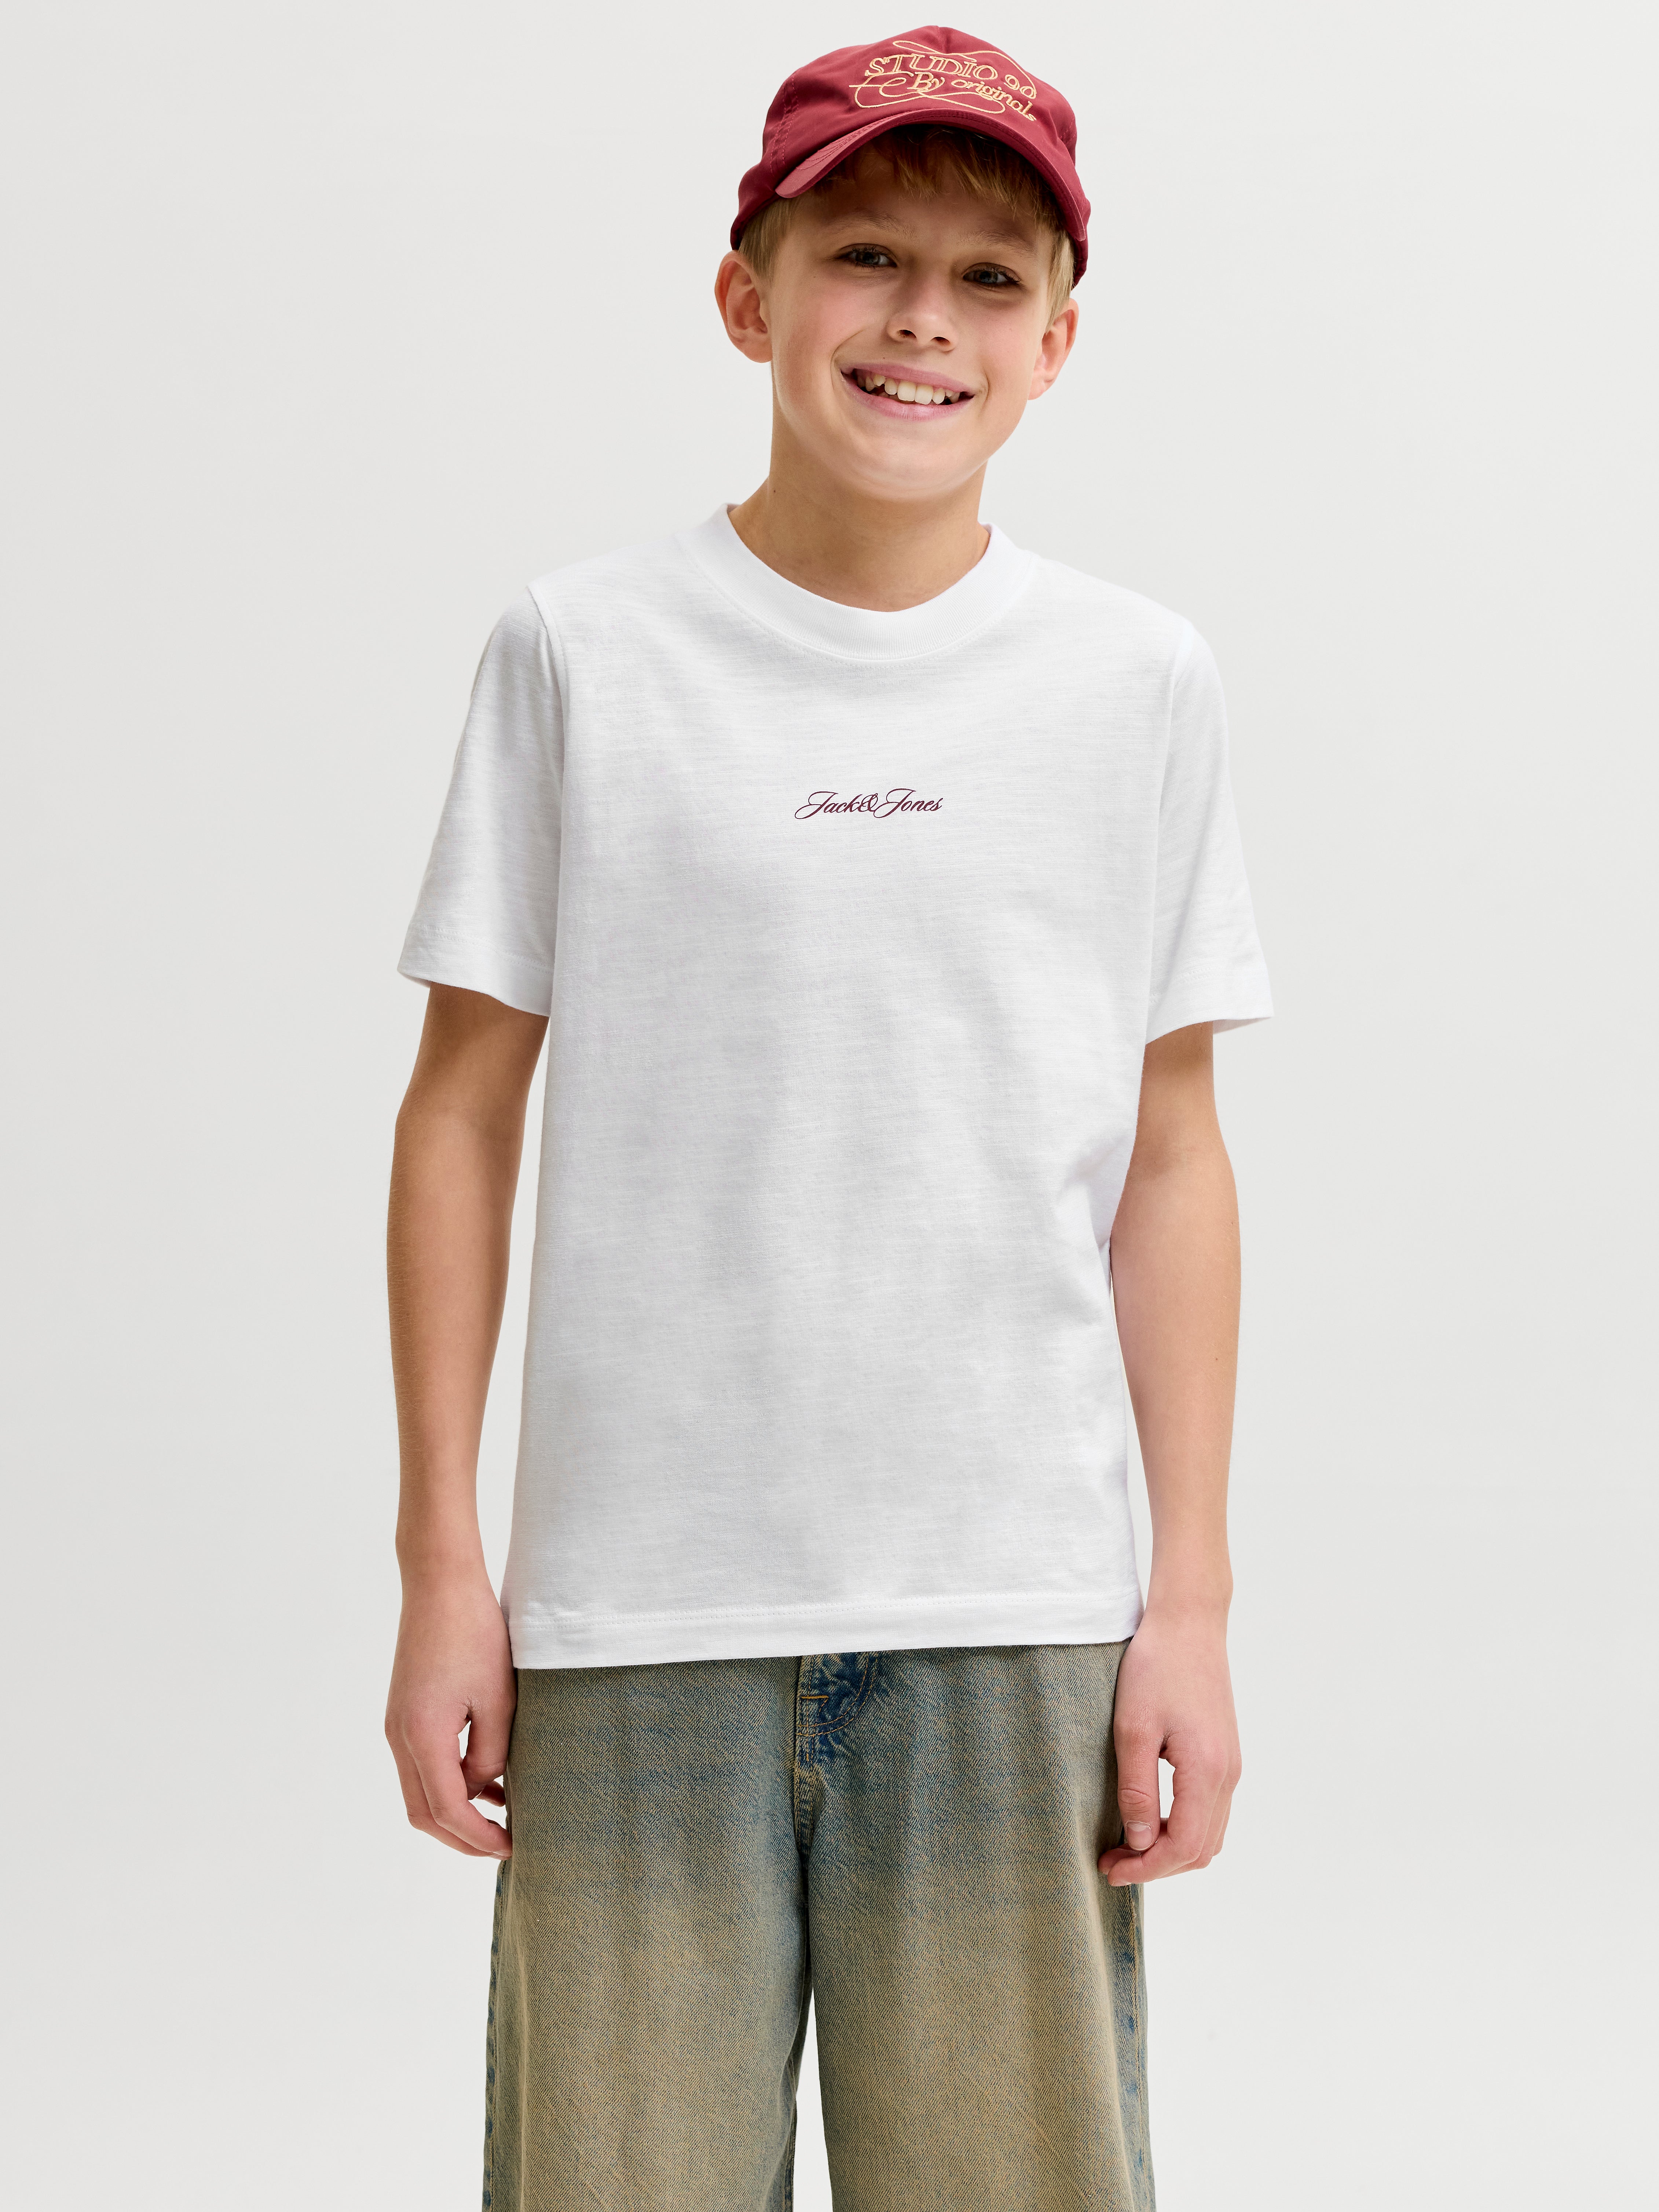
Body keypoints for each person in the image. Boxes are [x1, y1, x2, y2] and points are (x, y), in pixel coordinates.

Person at [385, 25, 1271, 2209]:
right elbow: (463, 1117)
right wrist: (443, 1566)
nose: (921, 321)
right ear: (747, 296)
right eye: (866, 255)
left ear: (1058, 342)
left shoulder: (1134, 684)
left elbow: (1171, 1156)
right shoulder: (585, 654)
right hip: (635, 1620)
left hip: (1015, 1609)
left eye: (987, 279)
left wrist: (1189, 1602)